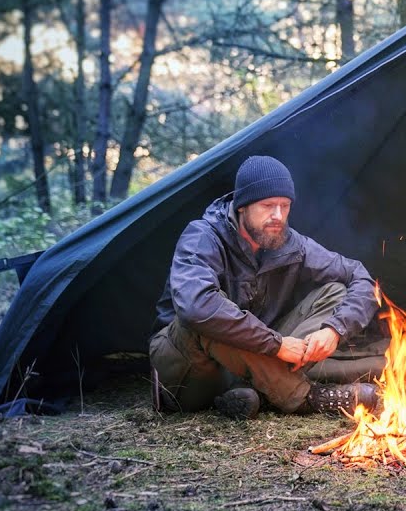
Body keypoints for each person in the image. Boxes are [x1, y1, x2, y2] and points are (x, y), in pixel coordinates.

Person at [149, 155, 379, 419]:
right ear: (242, 206)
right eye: (268, 205)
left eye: (285, 205)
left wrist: (336, 330)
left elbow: (360, 277)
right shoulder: (202, 236)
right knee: (209, 310)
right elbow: (196, 308)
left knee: (335, 292)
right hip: (187, 368)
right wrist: (277, 344)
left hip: (252, 363)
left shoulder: (292, 245)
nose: (278, 216)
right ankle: (307, 398)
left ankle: (253, 392)